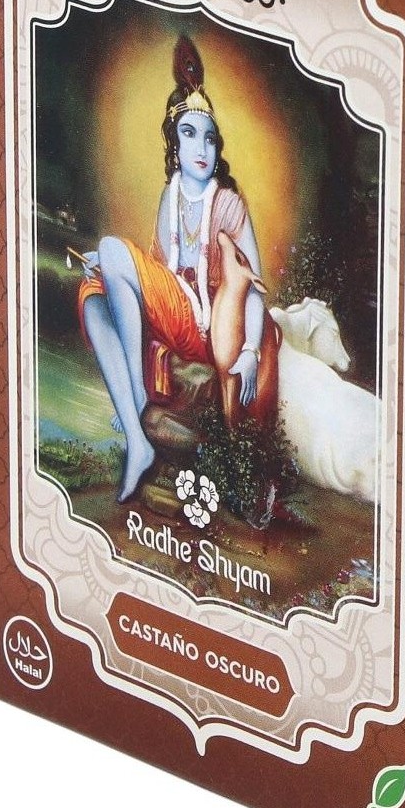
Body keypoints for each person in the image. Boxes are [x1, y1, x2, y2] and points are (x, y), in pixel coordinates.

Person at [78, 35, 273, 501]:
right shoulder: (171, 196)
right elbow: (155, 267)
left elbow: (255, 289)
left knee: (110, 247)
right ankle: (138, 435)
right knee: (92, 297)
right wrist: (108, 267)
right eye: (189, 133)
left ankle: (139, 404)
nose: (201, 147)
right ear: (174, 143)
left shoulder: (228, 203)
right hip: (171, 318)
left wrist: (249, 351)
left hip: (209, 330)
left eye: (209, 137)